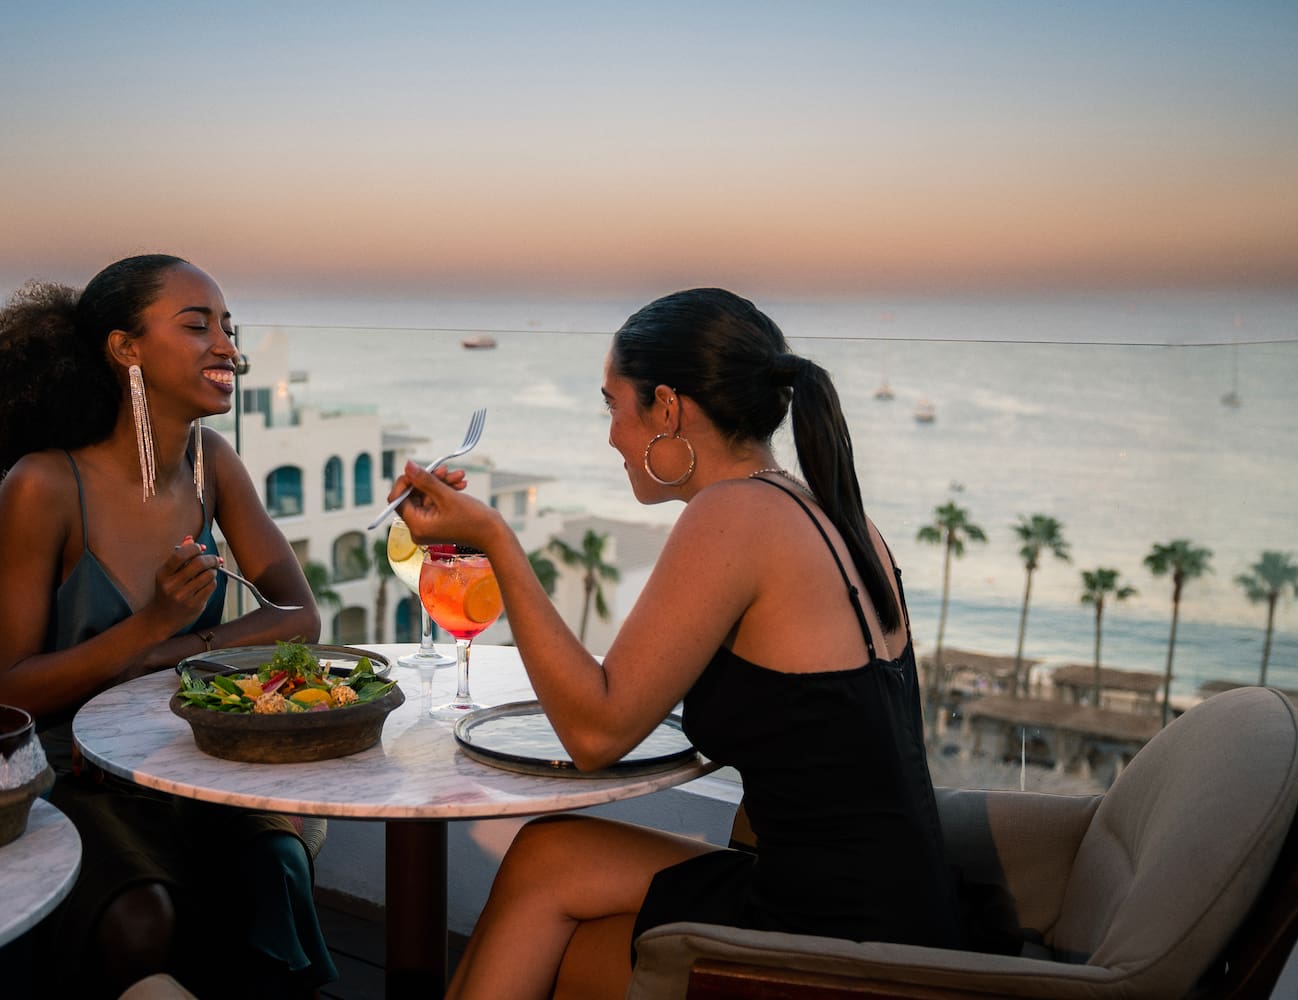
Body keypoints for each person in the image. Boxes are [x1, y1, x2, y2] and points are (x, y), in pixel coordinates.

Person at [391, 288, 963, 998]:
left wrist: (496, 541)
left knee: (564, 945)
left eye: (612, 405)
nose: (609, 436)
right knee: (549, 853)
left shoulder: (732, 516)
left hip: (841, 947)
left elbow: (596, 733)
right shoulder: (828, 509)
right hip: (900, 909)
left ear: (667, 408)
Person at [0, 254, 336, 998]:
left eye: (228, 326)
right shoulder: (44, 485)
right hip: (76, 775)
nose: (225, 344)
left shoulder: (212, 465)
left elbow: (300, 616)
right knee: (142, 918)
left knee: (276, 869)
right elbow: (13, 688)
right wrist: (152, 625)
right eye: (197, 326)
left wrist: (166, 650)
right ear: (124, 347)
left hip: (194, 759)